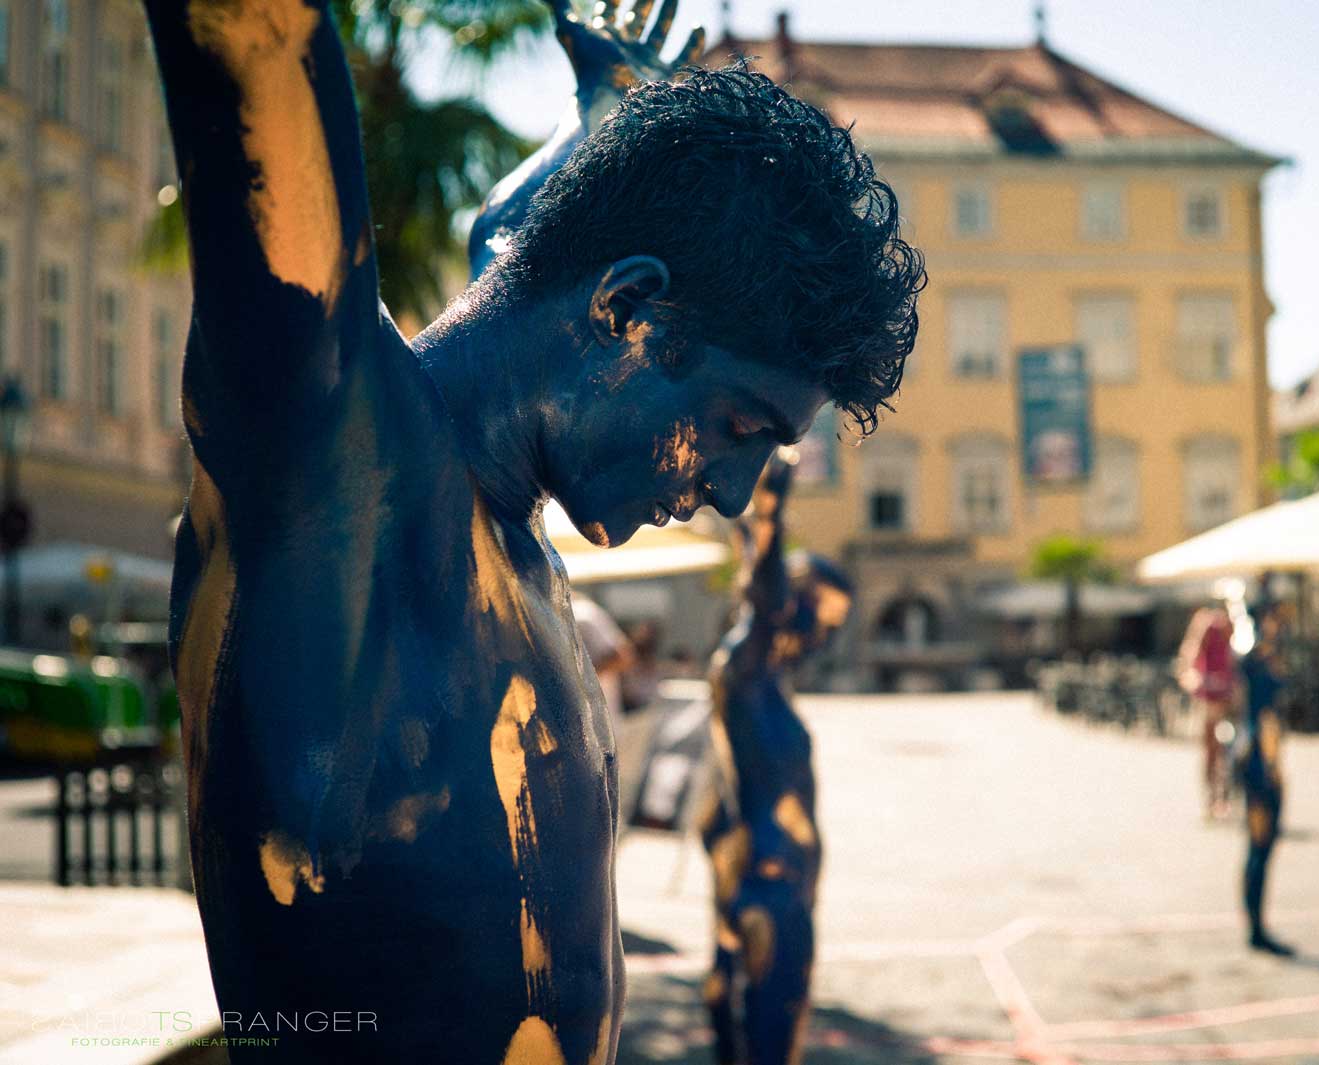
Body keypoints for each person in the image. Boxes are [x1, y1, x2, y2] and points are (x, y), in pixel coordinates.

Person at [147, 0, 924, 1058]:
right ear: (625, 313)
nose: (736, 494)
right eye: (739, 428)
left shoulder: (510, 525)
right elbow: (257, 36)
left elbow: (510, 246)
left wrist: (603, 116)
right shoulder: (333, 468)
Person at [699, 452, 853, 1065]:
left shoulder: (755, 676)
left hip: (764, 874)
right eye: (819, 616)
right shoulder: (750, 667)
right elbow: (762, 594)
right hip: (773, 885)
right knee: (771, 1037)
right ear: (790, 602)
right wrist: (771, 508)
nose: (823, 637)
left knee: (739, 1019)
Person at [1235, 598, 1294, 956]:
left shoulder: (1261, 655)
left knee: (1262, 845)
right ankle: (1255, 925)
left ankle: (1257, 921)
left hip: (1264, 757)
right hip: (1259, 759)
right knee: (1259, 845)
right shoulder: (1253, 655)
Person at [1178, 605, 1237, 818]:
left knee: (1222, 750)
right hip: (1212, 698)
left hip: (1224, 697)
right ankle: (1213, 797)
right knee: (1212, 751)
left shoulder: (1224, 628)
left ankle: (1221, 796)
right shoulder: (1207, 625)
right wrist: (1200, 681)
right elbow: (1191, 663)